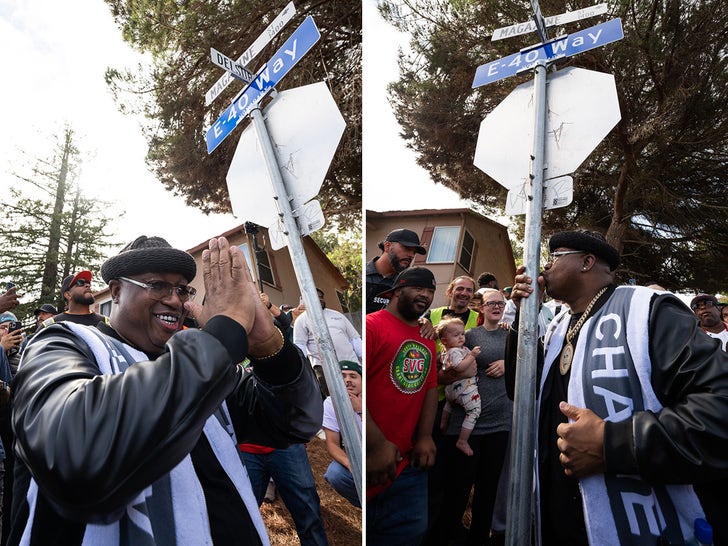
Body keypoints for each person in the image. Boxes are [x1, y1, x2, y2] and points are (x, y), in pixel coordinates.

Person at [9, 235, 323, 545]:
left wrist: (270, 348)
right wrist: (222, 334)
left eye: (181, 289)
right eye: (157, 285)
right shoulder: (62, 343)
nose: (175, 300)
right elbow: (75, 454)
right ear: (116, 290)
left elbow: (298, 421)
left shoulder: (204, 365)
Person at [506, 229, 728, 545]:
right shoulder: (557, 330)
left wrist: (614, 443)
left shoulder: (648, 310)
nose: (544, 268)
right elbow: (520, 391)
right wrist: (522, 319)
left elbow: (720, 408)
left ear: (586, 261)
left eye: (554, 258)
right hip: (560, 524)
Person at [431, 288, 512, 546]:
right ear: (481, 307)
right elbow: (449, 356)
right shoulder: (468, 336)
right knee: (458, 488)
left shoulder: (512, 336)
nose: (496, 307)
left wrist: (508, 364)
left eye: (501, 303)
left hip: (500, 421)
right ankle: (449, 536)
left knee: (488, 490)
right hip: (467, 423)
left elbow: (530, 363)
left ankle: (479, 538)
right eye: (491, 303)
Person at [367, 266, 438, 545]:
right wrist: (376, 445)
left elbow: (429, 387)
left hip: (408, 464)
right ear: (398, 290)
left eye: (431, 291)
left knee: (411, 533)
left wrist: (424, 436)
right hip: (372, 457)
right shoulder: (372, 325)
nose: (426, 296)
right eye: (419, 288)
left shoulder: (427, 337)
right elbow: (353, 394)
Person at [293, 287, 362, 398]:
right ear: (305, 299)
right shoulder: (301, 320)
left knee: (360, 398)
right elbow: (300, 347)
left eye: (321, 297)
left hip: (350, 364)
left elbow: (354, 340)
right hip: (324, 369)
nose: (320, 299)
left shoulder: (338, 315)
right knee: (335, 399)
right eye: (316, 296)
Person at [436, 318, 481, 456]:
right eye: (456, 335)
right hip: (463, 389)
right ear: (444, 340)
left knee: (449, 405)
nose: (461, 337)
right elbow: (459, 367)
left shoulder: (449, 351)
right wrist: (472, 355)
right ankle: (462, 440)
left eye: (462, 334)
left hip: (451, 392)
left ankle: (443, 423)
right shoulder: (454, 351)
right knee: (474, 411)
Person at [322, 360, 362, 508]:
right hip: (355, 457)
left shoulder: (372, 397)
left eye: (353, 376)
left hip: (376, 454)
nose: (348, 380)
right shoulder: (331, 403)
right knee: (335, 473)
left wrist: (360, 411)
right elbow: (332, 444)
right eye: (343, 376)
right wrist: (350, 464)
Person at [365, 228, 426, 314]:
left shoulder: (406, 284)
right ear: (387, 246)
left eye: (414, 252)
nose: (411, 255)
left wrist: (422, 321)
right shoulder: (360, 275)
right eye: (407, 248)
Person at [37, 270, 106, 329]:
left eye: (88, 283)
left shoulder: (106, 323)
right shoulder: (50, 325)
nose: (87, 285)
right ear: (68, 295)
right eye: (80, 283)